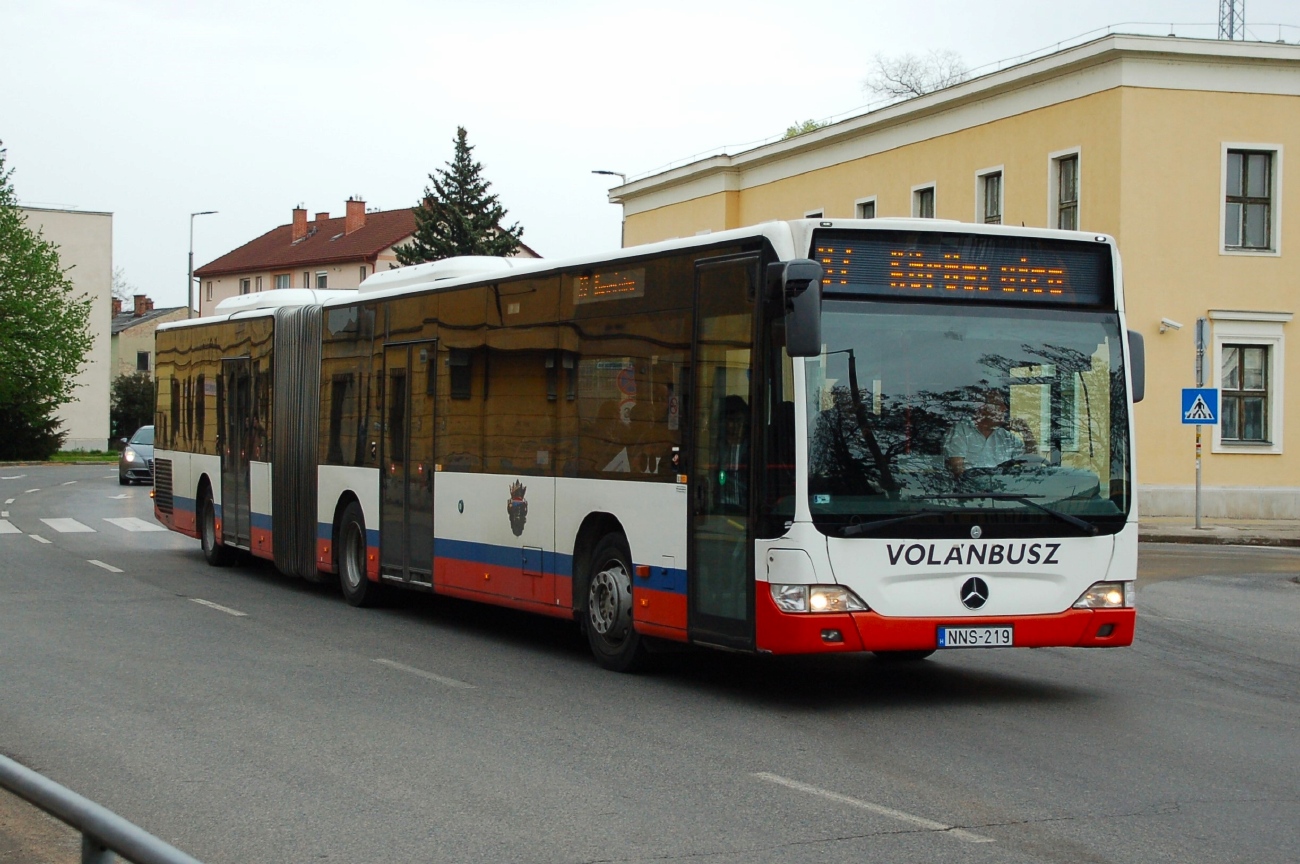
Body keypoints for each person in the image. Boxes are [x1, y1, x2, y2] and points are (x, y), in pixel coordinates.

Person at [943, 388, 1035, 478]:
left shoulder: (1004, 436)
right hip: (972, 486)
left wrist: (1026, 432)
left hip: (1003, 485)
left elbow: (1032, 460)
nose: (1004, 408)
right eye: (999, 405)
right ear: (983, 408)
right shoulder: (961, 430)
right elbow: (957, 470)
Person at [717, 394, 749, 510]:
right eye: (731, 420)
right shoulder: (715, 449)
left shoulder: (752, 450)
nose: (736, 426)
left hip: (745, 509)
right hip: (719, 509)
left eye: (739, 420)